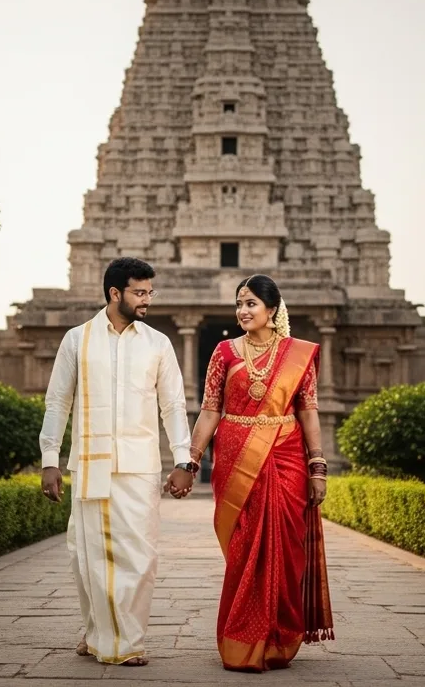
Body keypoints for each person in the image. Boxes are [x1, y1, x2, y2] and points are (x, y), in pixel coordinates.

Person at [170, 273, 335, 672]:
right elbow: (210, 409)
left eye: (251, 304)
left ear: (272, 310)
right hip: (235, 454)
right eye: (239, 304)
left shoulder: (298, 355)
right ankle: (243, 639)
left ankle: (279, 638)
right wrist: (189, 461)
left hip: (287, 456)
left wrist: (317, 465)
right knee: (244, 549)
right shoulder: (224, 352)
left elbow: (308, 411)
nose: (243, 311)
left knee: (286, 548)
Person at [37, 257, 196, 667]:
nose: (146, 300)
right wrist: (49, 459)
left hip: (140, 466)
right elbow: (58, 400)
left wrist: (184, 459)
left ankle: (124, 638)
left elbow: (173, 406)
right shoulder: (77, 340)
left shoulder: (158, 343)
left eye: (149, 292)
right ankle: (102, 636)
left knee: (140, 557)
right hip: (90, 463)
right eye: (139, 292)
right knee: (87, 554)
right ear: (115, 293)